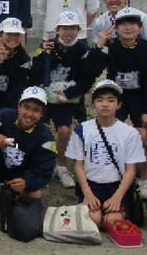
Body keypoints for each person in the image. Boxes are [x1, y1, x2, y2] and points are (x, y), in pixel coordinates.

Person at [94, 6, 147, 198]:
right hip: (118, 97)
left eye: (133, 23)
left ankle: (143, 178)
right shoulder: (111, 47)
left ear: (140, 27)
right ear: (116, 27)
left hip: (142, 98)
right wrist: (99, 46)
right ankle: (113, 173)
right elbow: (94, 67)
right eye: (123, 23)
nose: (128, 27)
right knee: (108, 132)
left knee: (142, 136)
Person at [30, 11, 103, 188]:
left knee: (64, 131)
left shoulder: (83, 50)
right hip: (45, 97)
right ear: (57, 30)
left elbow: (87, 79)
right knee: (39, 129)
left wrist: (68, 94)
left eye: (72, 28)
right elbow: (34, 73)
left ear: (78, 30)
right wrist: (43, 53)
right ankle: (40, 164)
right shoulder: (47, 46)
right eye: (64, 28)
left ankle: (61, 165)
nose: (68, 32)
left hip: (66, 99)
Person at [65, 80, 146, 227]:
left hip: (116, 186)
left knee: (111, 221)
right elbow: (78, 165)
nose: (105, 104)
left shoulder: (130, 133)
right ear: (93, 104)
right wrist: (87, 193)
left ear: (119, 104)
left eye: (111, 100)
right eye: (100, 100)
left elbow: (131, 170)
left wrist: (117, 197)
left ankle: (114, 212)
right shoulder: (81, 130)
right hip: (91, 185)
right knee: (94, 220)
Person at [0, 86, 57, 221]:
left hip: (22, 176)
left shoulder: (47, 138)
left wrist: (27, 181)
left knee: (36, 195)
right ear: (19, 106)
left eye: (36, 110)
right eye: (26, 107)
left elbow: (45, 170)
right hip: (0, 169)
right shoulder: (3, 115)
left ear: (42, 114)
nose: (30, 114)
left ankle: (11, 196)